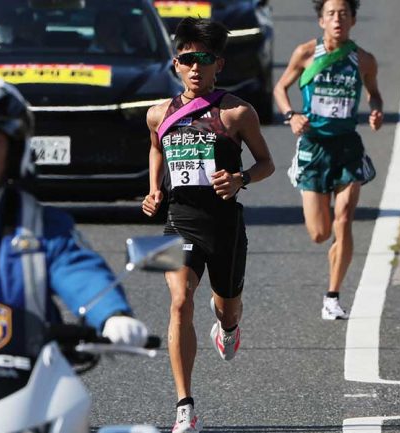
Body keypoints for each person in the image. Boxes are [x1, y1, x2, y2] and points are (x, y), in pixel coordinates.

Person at [0, 72, 148, 347]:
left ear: (14, 151)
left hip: (33, 370)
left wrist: (112, 313)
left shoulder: (42, 224)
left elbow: (77, 269)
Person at [141, 17, 274, 433]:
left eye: (204, 59)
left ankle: (229, 327)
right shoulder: (158, 113)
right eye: (187, 59)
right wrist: (154, 191)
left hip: (224, 224)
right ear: (175, 63)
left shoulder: (237, 113)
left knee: (225, 305)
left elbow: (267, 163)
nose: (195, 68)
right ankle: (185, 406)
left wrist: (241, 179)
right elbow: (156, 150)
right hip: (179, 221)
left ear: (219, 64)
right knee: (180, 301)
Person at [273, 0, 383, 320]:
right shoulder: (306, 53)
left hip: (347, 146)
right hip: (313, 147)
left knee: (344, 218)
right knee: (320, 233)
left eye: (344, 14)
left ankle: (332, 295)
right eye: (331, 14)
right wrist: (291, 115)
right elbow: (281, 88)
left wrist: (376, 109)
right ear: (321, 21)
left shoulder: (364, 60)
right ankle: (333, 254)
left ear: (353, 20)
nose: (338, 20)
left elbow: (373, 93)